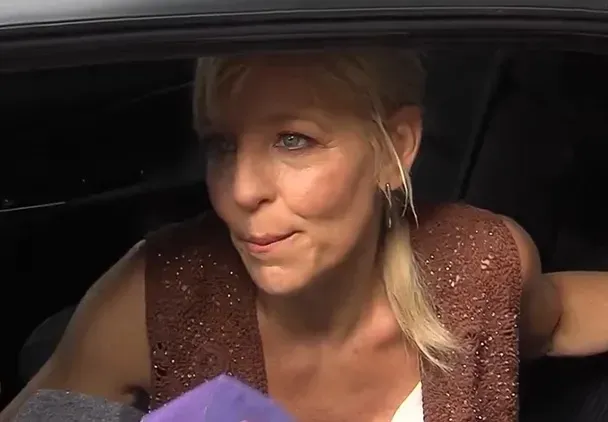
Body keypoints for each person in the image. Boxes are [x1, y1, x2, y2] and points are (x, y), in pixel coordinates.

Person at [3, 48, 608, 422]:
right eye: (222, 145)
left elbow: (553, 318)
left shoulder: (483, 266)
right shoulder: (154, 298)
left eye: (294, 140)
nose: (241, 190)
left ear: (395, 146)